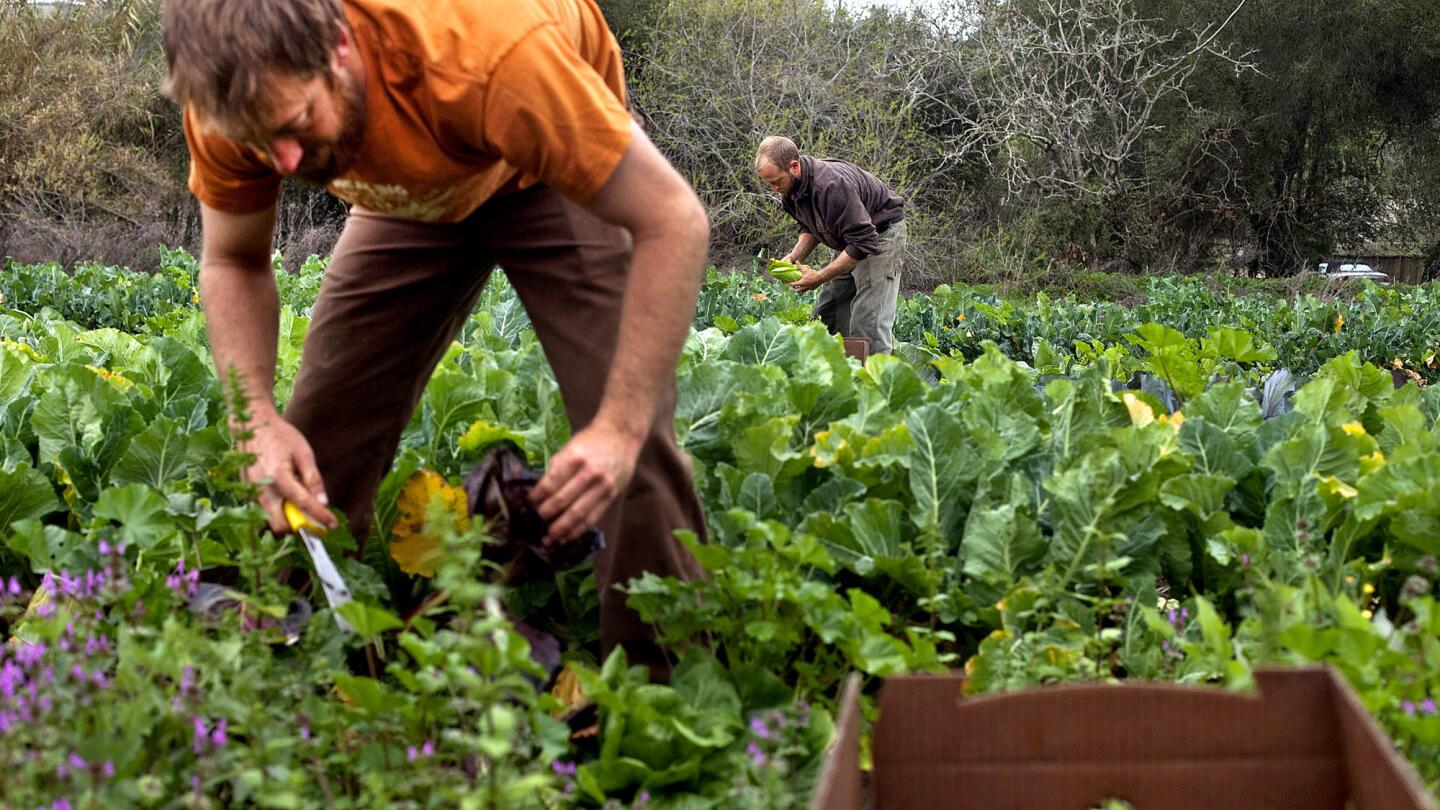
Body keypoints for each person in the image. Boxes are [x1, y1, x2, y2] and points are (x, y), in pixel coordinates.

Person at [162, 0, 708, 678]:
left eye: (297, 124)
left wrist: (620, 429)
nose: (285, 159)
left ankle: (671, 702)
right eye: (259, 142)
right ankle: (276, 674)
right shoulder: (233, 99)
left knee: (629, 446)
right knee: (316, 433)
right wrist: (257, 422)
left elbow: (674, 221)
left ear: (337, 47)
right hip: (411, 190)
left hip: (548, 173)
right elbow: (232, 262)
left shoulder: (490, 52)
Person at [755, 136, 905, 354]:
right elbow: (811, 226)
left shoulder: (830, 186)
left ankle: (874, 382)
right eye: (769, 183)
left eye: (776, 181)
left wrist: (819, 277)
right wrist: (794, 257)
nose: (774, 188)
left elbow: (864, 240)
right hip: (852, 240)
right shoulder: (791, 189)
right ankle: (836, 375)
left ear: (794, 167)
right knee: (827, 314)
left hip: (881, 236)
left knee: (867, 323)